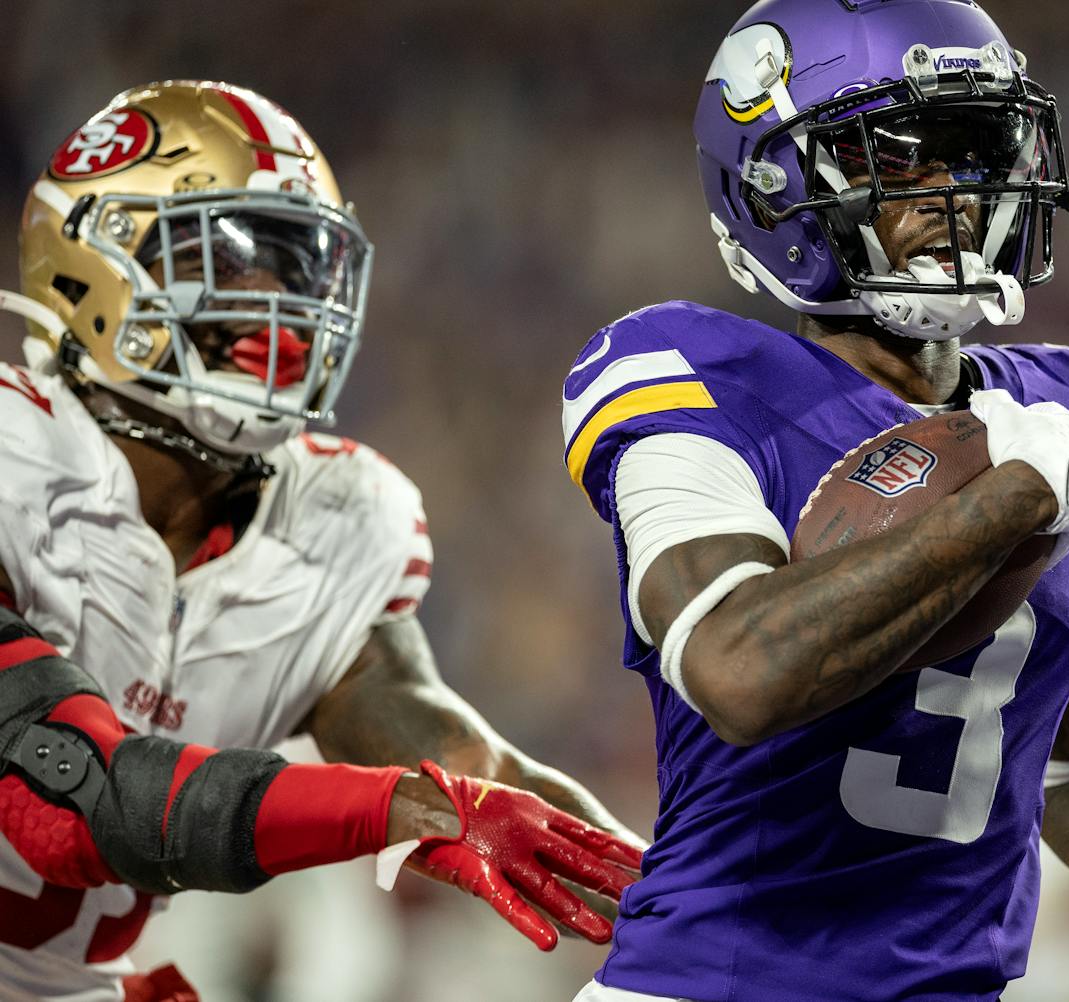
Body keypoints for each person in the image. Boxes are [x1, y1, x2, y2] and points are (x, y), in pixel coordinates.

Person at [560, 2, 1069, 1001]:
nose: (949, 194)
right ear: (773, 181)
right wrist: (1004, 502)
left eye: (969, 154)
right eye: (893, 156)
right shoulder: (697, 383)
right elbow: (740, 673)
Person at [0, 80, 642, 1001]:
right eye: (228, 255)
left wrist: (703, 915)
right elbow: (82, 806)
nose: (283, 299)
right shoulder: (14, 467)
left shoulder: (330, 515)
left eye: (297, 262)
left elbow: (476, 779)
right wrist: (406, 812)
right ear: (88, 267)